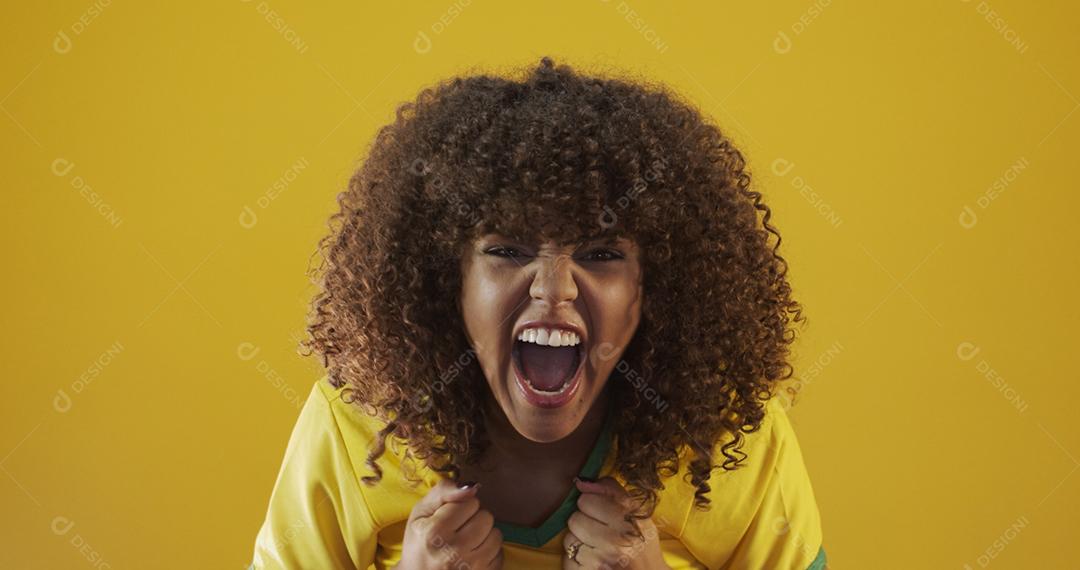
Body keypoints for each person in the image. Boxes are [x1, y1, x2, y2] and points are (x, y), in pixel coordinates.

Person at [251, 56, 827, 570]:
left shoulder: (726, 436)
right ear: (448, 278)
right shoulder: (356, 425)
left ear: (656, 288)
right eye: (507, 251)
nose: (554, 291)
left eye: (601, 255)